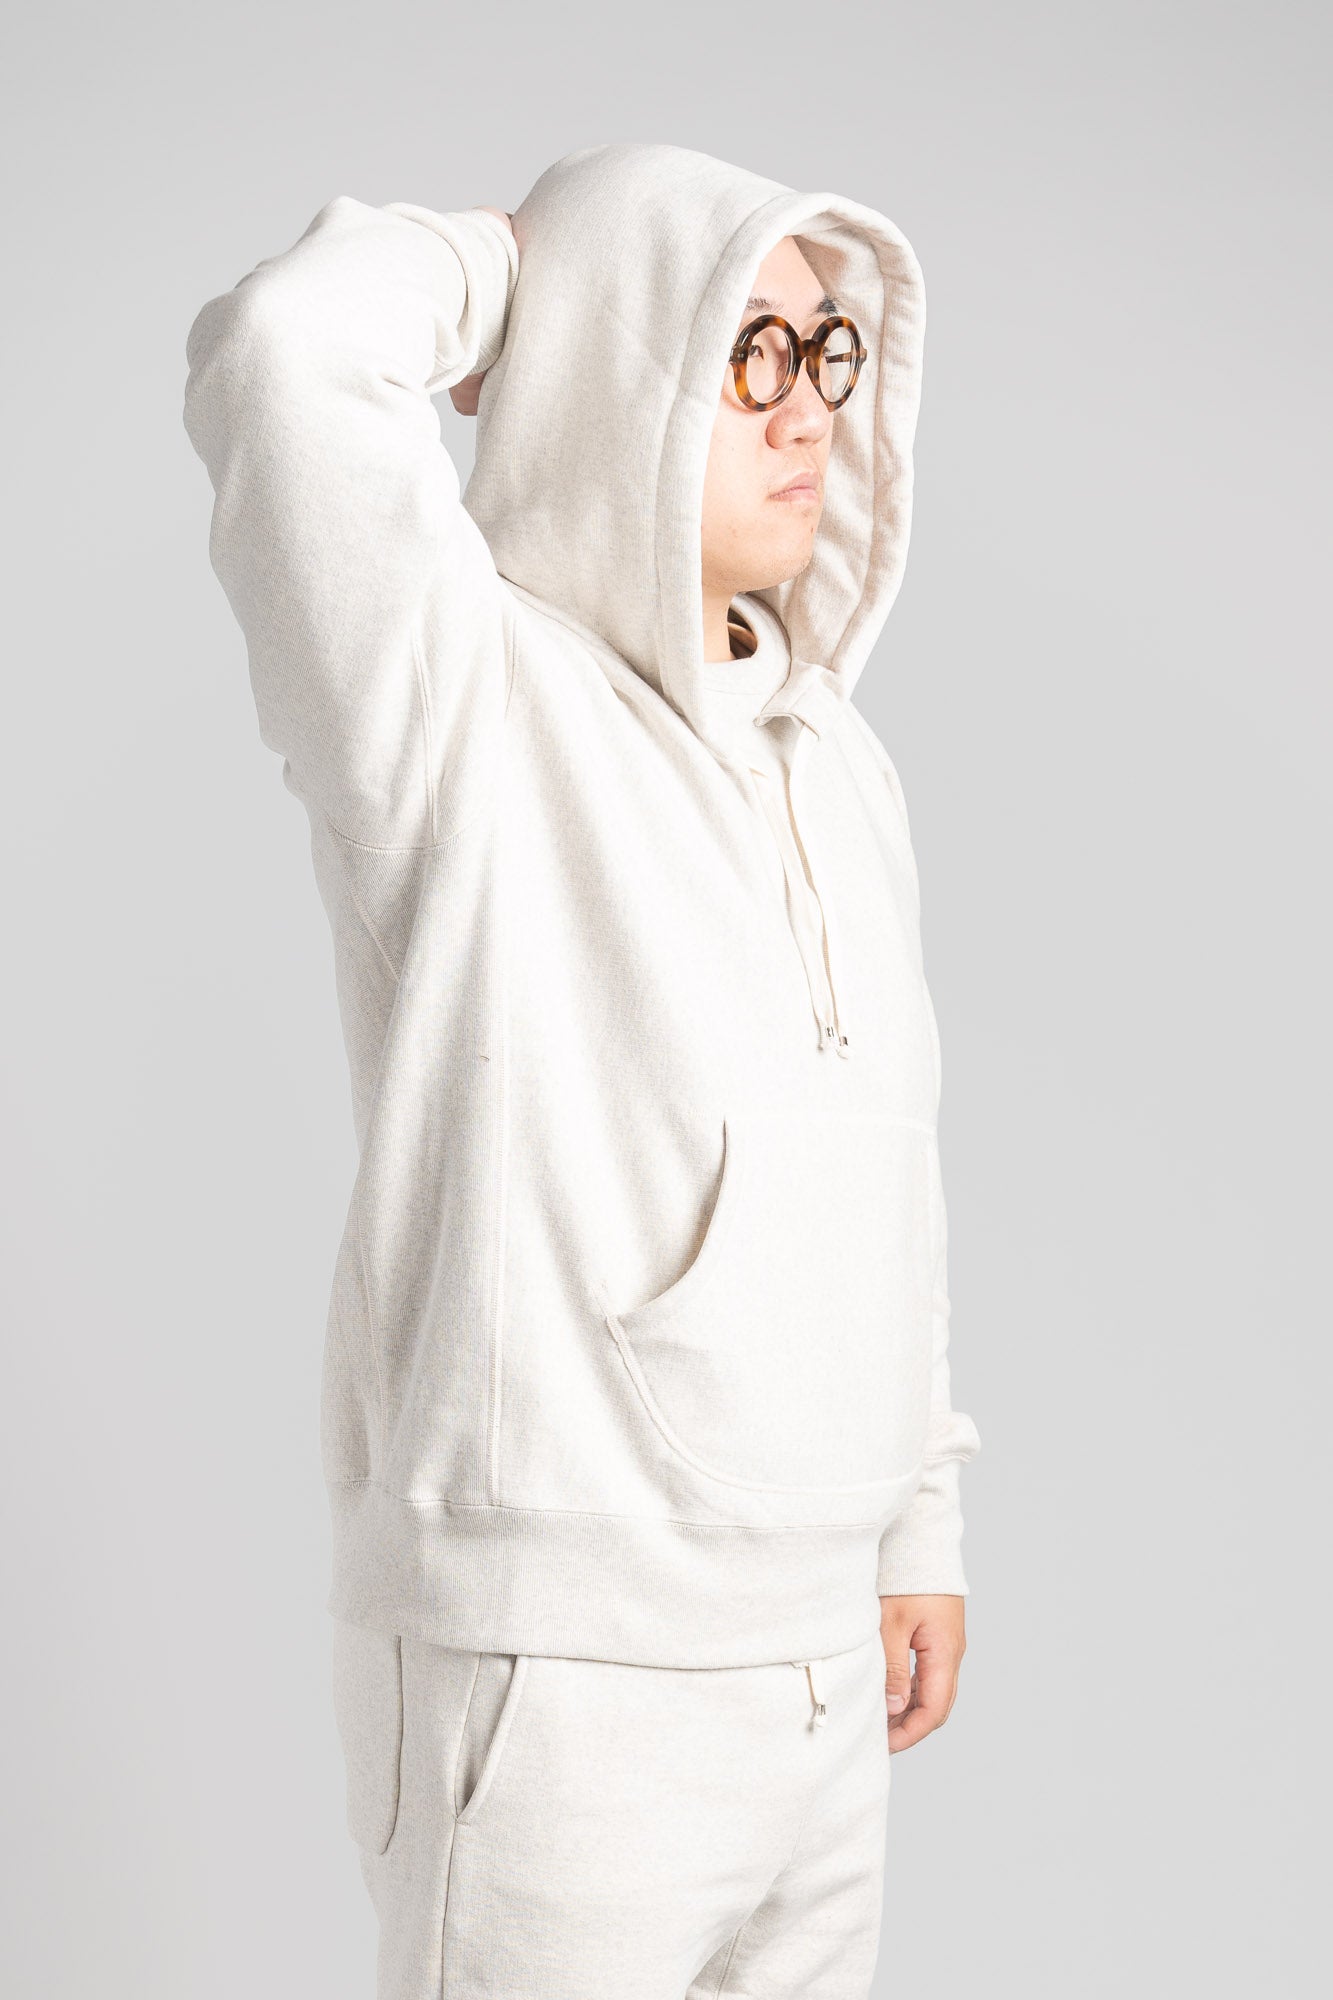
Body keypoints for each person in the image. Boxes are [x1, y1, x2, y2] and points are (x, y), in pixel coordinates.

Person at [182, 138, 981, 2000]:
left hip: (817, 1679)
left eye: (826, 350)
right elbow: (287, 354)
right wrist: (520, 271)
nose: (807, 407)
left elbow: (889, 1160)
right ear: (622, 368)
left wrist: (915, 1522)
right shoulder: (459, 701)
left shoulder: (837, 762)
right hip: (559, 1682)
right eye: (744, 348)